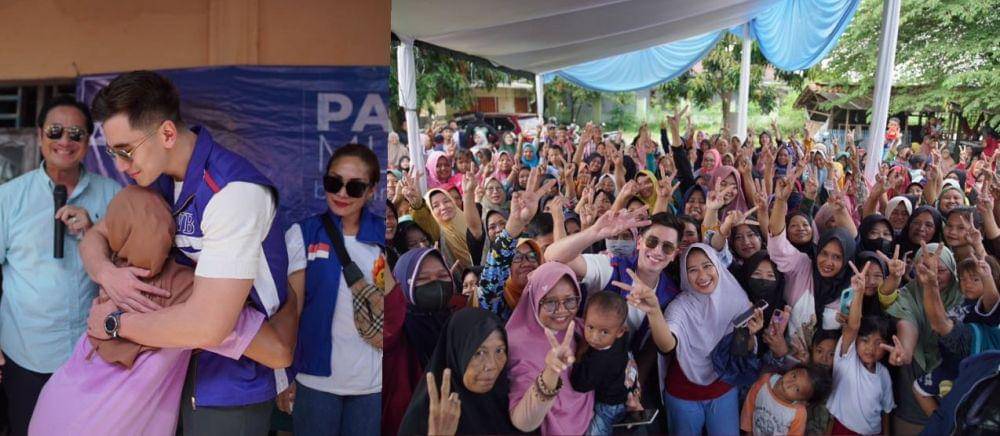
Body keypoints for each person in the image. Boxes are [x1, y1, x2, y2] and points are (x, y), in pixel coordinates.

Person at [81, 70, 290, 435]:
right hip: (169, 365)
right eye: (113, 153)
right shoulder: (156, 177)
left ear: (166, 134)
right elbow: (94, 238)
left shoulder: (233, 193)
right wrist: (107, 274)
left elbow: (208, 326)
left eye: (126, 151)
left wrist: (115, 324)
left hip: (233, 380)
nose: (120, 166)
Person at [29, 185, 297, 436]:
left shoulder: (112, 276)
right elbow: (279, 352)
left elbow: (94, 239)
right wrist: (290, 296)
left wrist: (105, 277)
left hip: (55, 408)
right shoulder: (184, 290)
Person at [0, 96, 121, 436]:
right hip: (27, 353)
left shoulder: (113, 195)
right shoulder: (9, 198)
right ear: (40, 135)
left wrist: (94, 231)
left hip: (93, 352)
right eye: (55, 131)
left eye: (75, 134)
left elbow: (128, 267)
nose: (64, 141)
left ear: (88, 140)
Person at [280, 144, 384, 435]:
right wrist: (283, 375)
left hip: (372, 386)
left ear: (371, 191)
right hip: (314, 381)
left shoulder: (382, 237)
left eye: (355, 187)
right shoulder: (302, 234)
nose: (341, 193)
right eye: (334, 182)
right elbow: (291, 313)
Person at [628, 244, 751, 435]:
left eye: (707, 266)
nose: (702, 275)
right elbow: (667, 345)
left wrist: (750, 333)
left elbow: (742, 351)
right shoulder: (680, 306)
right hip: (683, 395)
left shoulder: (737, 299)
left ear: (717, 265)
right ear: (685, 275)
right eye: (692, 270)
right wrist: (654, 311)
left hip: (724, 391)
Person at [505, 262, 593, 435]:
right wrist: (551, 372)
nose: (561, 310)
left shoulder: (580, 328)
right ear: (534, 300)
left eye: (570, 300)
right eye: (550, 302)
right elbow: (523, 421)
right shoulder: (516, 346)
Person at [398, 308, 517, 435]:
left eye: (499, 350)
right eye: (479, 353)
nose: (491, 365)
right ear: (456, 354)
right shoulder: (425, 418)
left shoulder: (512, 402)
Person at [826, 261, 895, 435]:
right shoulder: (846, 359)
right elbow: (853, 326)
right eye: (865, 340)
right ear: (855, 341)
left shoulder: (883, 374)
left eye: (878, 343)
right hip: (842, 430)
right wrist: (858, 292)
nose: (871, 348)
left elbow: (886, 411)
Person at [570, 291, 631, 435]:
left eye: (604, 332)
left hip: (608, 407)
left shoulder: (600, 361)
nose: (594, 337)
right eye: (590, 327)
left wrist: (579, 355)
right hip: (622, 391)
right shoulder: (621, 337)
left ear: (620, 331)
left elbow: (579, 385)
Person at [739, 365, 832, 436]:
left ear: (802, 401)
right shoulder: (765, 382)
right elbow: (749, 406)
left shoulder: (798, 413)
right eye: (794, 376)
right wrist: (748, 432)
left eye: (797, 389)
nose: (789, 383)